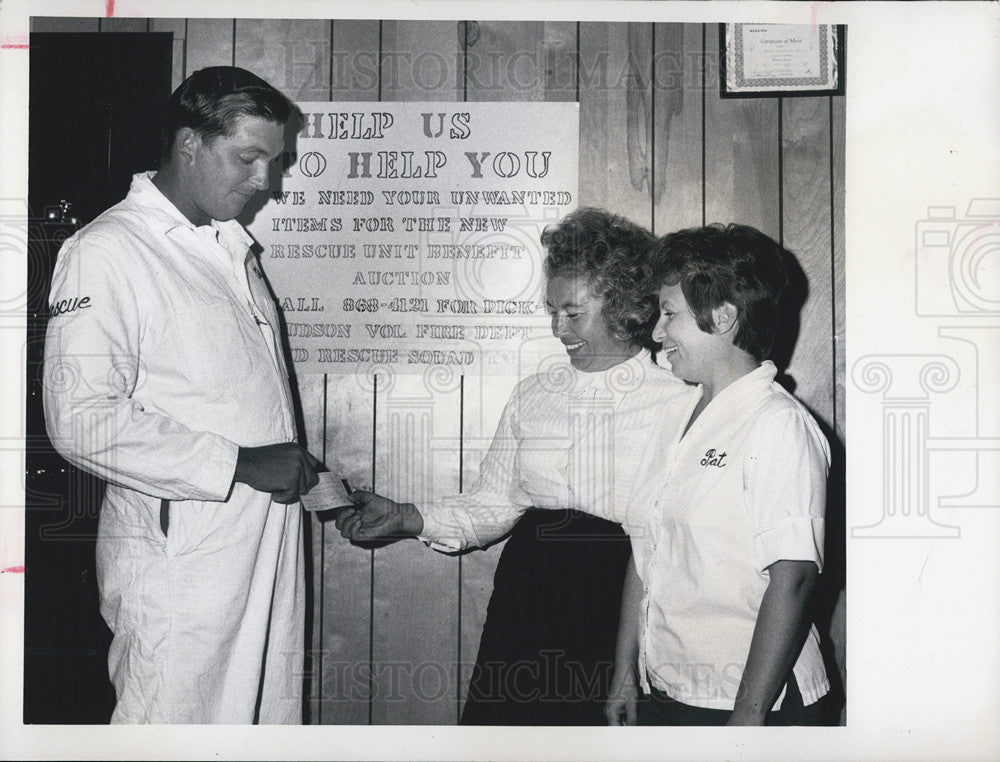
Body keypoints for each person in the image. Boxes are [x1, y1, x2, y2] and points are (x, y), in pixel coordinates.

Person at [335, 208, 693, 724]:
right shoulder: (533, 396)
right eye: (551, 311)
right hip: (528, 597)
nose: (556, 328)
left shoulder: (678, 401)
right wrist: (405, 516)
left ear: (626, 308)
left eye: (573, 313)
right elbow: (492, 504)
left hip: (619, 604)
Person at [43, 66, 319, 724]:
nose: (264, 181)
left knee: (263, 727)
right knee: (168, 728)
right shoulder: (108, 250)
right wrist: (243, 465)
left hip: (264, 549)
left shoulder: (230, 248)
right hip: (181, 561)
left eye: (272, 161)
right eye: (249, 158)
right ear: (189, 143)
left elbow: (227, 399)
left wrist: (308, 480)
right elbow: (80, 419)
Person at [605, 224, 835, 726]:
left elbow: (793, 579)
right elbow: (645, 545)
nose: (658, 333)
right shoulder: (674, 415)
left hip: (756, 703)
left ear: (723, 316)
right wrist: (625, 668)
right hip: (670, 687)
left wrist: (747, 717)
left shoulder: (778, 425)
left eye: (670, 315)